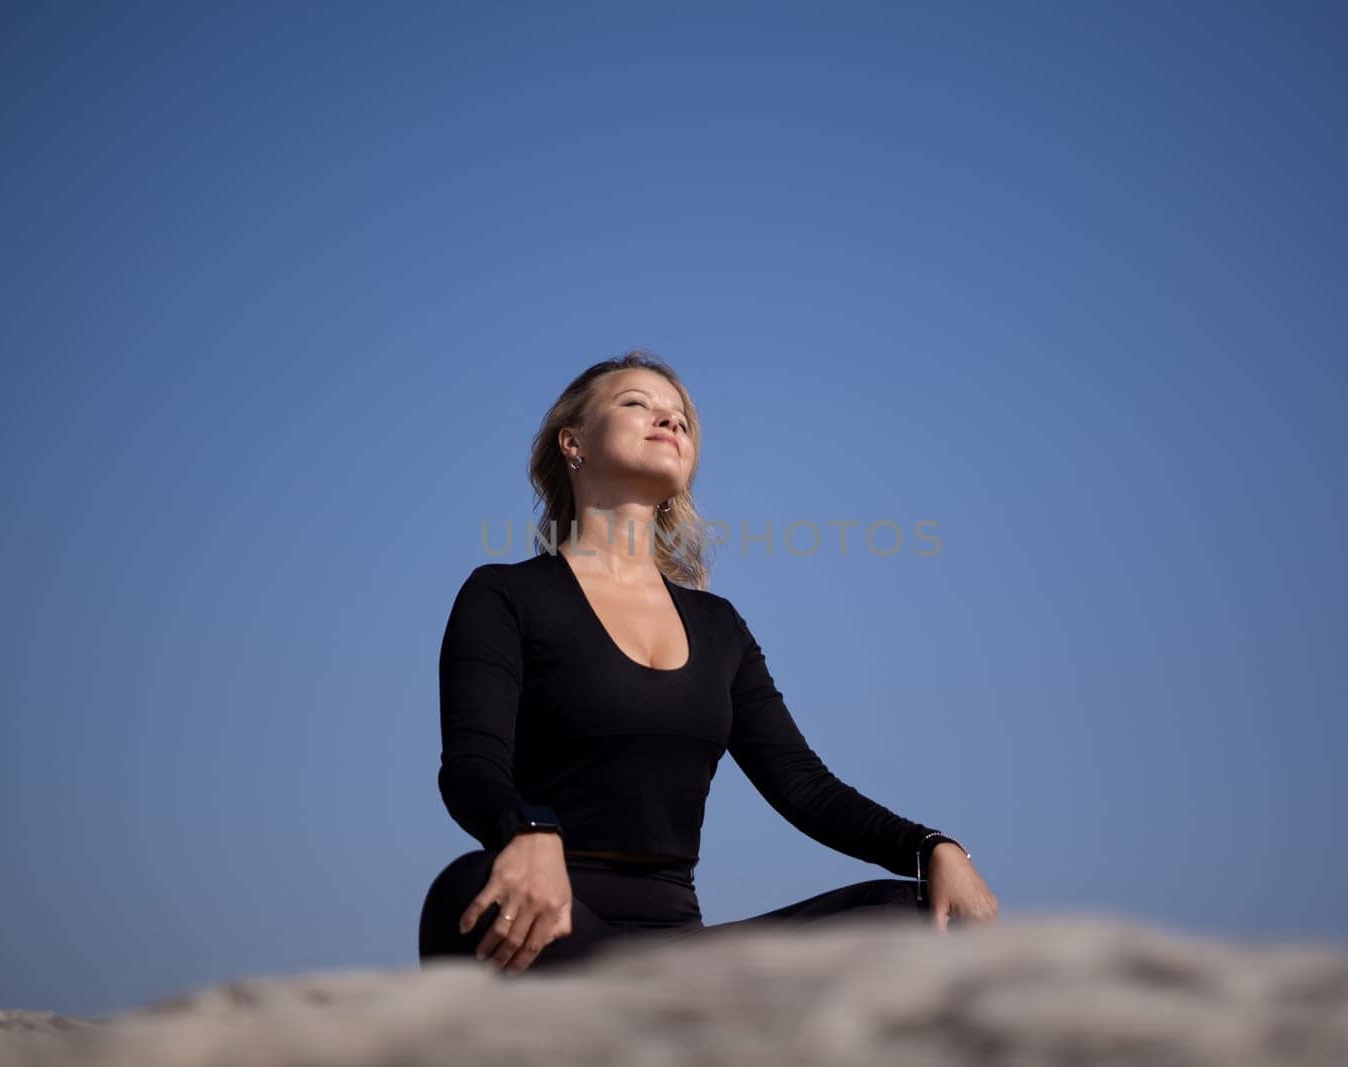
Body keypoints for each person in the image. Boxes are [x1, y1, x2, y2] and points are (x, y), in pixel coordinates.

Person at [419, 351, 1000, 976]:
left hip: (679, 951)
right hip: (552, 919)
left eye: (682, 419)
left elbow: (806, 789)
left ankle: (653, 1003)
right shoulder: (504, 595)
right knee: (471, 890)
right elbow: (471, 768)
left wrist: (931, 847)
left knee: (906, 913)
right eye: (637, 403)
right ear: (573, 442)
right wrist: (528, 828)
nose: (668, 420)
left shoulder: (719, 627)